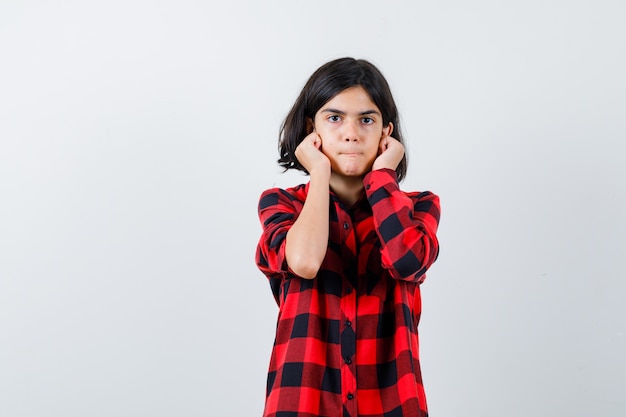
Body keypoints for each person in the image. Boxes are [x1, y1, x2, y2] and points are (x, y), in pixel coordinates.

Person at [255, 57, 441, 417]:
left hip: (391, 403)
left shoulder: (417, 208)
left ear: (386, 132)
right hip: (304, 401)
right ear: (312, 129)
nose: (351, 133)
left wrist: (383, 175)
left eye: (366, 120)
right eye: (334, 118)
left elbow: (406, 260)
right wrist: (319, 172)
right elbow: (305, 262)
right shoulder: (281, 205)